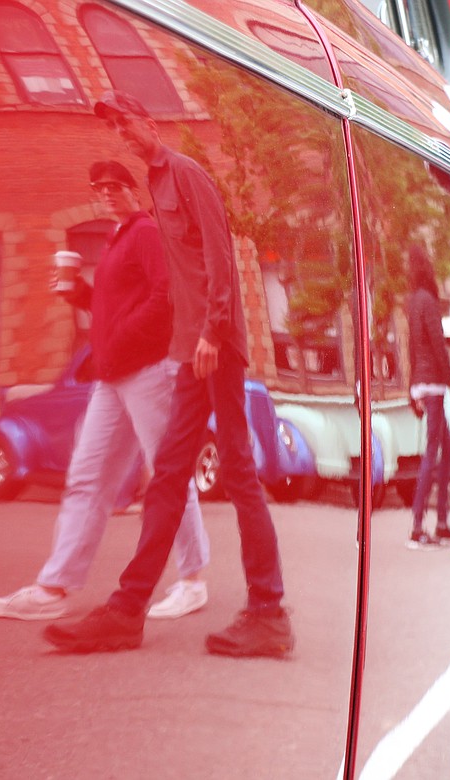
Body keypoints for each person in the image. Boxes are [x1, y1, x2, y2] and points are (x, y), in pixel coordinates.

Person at [44, 91, 292, 657]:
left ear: (149, 121)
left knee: (236, 470)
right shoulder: (156, 188)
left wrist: (212, 330)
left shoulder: (185, 174)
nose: (124, 137)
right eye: (115, 131)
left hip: (213, 348)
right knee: (169, 475)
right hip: (190, 351)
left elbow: (219, 255)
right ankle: (127, 612)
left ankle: (268, 612)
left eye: (127, 124)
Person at [0, 161, 209, 620]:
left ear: (131, 190)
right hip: (113, 377)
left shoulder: (143, 232)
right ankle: (53, 589)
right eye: (99, 188)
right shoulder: (116, 238)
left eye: (114, 186)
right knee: (87, 478)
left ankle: (192, 579)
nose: (106, 194)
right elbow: (115, 308)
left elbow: (165, 296)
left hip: (147, 372)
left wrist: (120, 339)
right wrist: (79, 295)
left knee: (167, 474)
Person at [405, 246, 450, 550]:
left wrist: (412, 389)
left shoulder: (412, 302)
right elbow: (438, 346)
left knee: (444, 445)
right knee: (434, 448)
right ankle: (418, 525)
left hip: (421, 381)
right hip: (434, 383)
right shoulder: (428, 301)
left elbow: (412, 345)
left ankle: (439, 521)